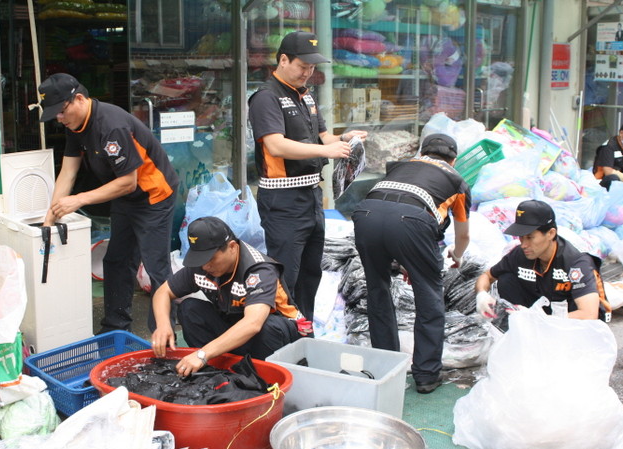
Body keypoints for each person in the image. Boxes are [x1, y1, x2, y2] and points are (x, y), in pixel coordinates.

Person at [37, 73, 179, 334]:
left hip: (153, 195)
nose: (59, 118)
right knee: (116, 260)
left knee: (155, 265)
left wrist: (79, 199)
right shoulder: (75, 125)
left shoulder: (111, 126)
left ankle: (163, 333)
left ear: (79, 99)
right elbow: (67, 172)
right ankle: (115, 327)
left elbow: (128, 182)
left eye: (61, 111)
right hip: (124, 196)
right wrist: (50, 217)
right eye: (55, 114)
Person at [248, 31, 368, 322]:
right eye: (302, 66)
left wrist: (344, 139)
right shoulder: (266, 97)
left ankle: (304, 328)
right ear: (283, 60)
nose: (308, 73)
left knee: (311, 272)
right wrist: (327, 151)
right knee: (285, 275)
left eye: (312, 67)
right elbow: (275, 145)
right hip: (282, 199)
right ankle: (280, 333)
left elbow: (324, 137)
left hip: (312, 196)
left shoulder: (306, 96)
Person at [352, 134, 471, 394]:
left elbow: (388, 215)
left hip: (365, 215)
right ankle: (426, 375)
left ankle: (386, 368)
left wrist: (405, 259)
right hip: (411, 221)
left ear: (421, 153)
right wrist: (457, 255)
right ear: (453, 160)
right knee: (428, 296)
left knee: (377, 290)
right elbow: (463, 236)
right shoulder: (456, 180)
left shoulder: (400, 167)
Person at [151, 216, 308, 376]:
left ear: (232, 247)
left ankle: (262, 378)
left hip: (282, 340)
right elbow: (163, 292)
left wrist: (202, 354)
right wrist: (163, 325)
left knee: (268, 327)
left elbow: (253, 323)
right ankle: (213, 373)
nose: (205, 266)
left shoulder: (259, 270)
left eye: (210, 258)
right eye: (200, 259)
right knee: (189, 308)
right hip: (235, 328)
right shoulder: (203, 265)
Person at [475, 199, 611, 322]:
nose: (524, 244)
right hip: (542, 315)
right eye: (521, 237)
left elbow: (589, 314)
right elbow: (487, 276)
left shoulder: (577, 263)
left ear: (551, 233)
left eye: (530, 237)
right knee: (506, 280)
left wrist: (540, 319)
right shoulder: (521, 253)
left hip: (575, 325)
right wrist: (481, 294)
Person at [592, 121, 623, 190]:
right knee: (612, 178)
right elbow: (608, 171)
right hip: (603, 181)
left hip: (622, 181)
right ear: (621, 133)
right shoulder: (608, 147)